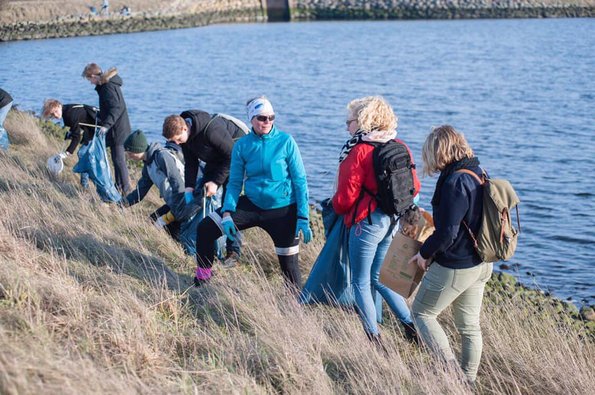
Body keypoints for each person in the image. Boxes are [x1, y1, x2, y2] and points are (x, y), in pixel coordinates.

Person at [192, 96, 312, 288]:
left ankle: (295, 308)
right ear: (251, 119)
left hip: (283, 210)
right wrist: (228, 212)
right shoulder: (242, 145)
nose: (267, 122)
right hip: (252, 205)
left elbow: (300, 181)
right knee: (205, 228)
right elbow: (235, 182)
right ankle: (203, 278)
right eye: (262, 118)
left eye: (271, 117)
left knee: (289, 267)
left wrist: (303, 217)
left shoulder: (286, 142)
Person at [408, 125, 491, 385]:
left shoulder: (455, 182)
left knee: (422, 313)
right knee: (469, 326)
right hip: (481, 263)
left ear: (439, 151)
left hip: (457, 265)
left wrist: (424, 254)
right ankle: (468, 381)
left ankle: (451, 374)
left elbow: (447, 234)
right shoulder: (477, 171)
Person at [332, 96, 417, 346]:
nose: (347, 127)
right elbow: (415, 186)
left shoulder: (358, 150)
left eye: (349, 121)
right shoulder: (399, 144)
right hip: (392, 221)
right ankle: (411, 328)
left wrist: (334, 207)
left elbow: (345, 198)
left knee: (360, 281)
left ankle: (374, 338)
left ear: (362, 120)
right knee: (380, 277)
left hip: (366, 224)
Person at [162, 110, 249, 266]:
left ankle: (233, 251)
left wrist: (215, 183)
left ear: (184, 128)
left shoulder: (211, 130)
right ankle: (206, 245)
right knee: (201, 195)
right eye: (174, 141)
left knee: (228, 204)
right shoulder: (186, 138)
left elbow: (232, 157)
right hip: (216, 160)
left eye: (179, 139)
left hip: (236, 159)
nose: (178, 143)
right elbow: (191, 164)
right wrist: (188, 188)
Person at [123, 130, 202, 255]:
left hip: (187, 202)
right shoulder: (148, 166)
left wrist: (176, 212)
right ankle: (174, 254)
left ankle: (186, 258)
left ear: (137, 150)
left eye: (128, 152)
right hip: (175, 205)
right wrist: (120, 204)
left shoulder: (162, 156)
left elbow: (178, 184)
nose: (127, 155)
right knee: (153, 221)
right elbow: (140, 192)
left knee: (178, 234)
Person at [82, 63, 132, 194]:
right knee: (116, 159)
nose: (90, 83)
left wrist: (106, 125)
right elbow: (110, 107)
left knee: (119, 160)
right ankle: (119, 186)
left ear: (93, 76)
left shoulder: (107, 87)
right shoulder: (104, 86)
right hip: (116, 126)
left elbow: (117, 108)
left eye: (89, 79)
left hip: (118, 128)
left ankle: (126, 190)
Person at [42, 99, 98, 188]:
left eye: (56, 111)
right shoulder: (67, 110)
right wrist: (71, 133)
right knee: (85, 155)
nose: (56, 115)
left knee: (82, 153)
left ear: (59, 106)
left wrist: (67, 152)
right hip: (90, 130)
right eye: (52, 114)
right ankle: (85, 184)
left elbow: (77, 137)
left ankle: (85, 185)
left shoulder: (69, 114)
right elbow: (77, 126)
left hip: (98, 128)